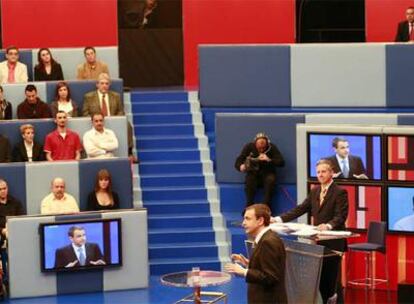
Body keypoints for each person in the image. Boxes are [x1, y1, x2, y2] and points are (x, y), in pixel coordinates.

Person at [273, 159, 348, 304]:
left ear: (331, 173)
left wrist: (328, 225)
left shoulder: (340, 192)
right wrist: (278, 219)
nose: (320, 175)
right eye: (318, 172)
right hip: (318, 241)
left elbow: (341, 216)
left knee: (332, 279)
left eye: (323, 171)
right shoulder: (315, 191)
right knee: (320, 278)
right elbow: (300, 209)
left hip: (333, 241)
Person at [225, 204, 287, 304]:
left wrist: (244, 271)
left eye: (247, 219)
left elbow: (270, 277)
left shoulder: (268, 242)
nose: (243, 223)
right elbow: (267, 268)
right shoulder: (265, 238)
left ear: (260, 221)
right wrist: (249, 264)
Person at [83, 73, 136, 161]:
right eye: (102, 83)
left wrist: (113, 120)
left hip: (113, 121)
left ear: (109, 85)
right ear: (97, 84)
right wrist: (96, 120)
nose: (104, 86)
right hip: (97, 122)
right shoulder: (89, 97)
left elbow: (120, 111)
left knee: (127, 124)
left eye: (106, 84)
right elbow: (85, 113)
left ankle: (129, 152)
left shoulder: (116, 96)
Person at [235, 133, 285, 211]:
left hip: (268, 174)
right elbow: (239, 160)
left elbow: (281, 162)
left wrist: (269, 160)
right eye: (259, 148)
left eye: (263, 148)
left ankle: (266, 206)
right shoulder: (249, 147)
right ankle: (249, 205)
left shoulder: (272, 147)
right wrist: (241, 167)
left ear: (267, 144)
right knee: (249, 180)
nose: (261, 149)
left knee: (270, 180)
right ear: (255, 144)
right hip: (254, 174)